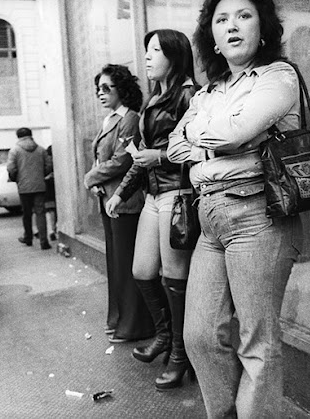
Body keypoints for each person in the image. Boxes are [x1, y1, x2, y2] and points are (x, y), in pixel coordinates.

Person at [167, 0, 302, 417]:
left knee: (257, 342)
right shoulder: (210, 90)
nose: (232, 25)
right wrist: (221, 138)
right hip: (210, 219)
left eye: (244, 16)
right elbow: (173, 146)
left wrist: (208, 136)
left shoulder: (278, 77)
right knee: (199, 336)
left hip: (258, 214)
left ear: (262, 29)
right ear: (212, 37)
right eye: (222, 19)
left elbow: (234, 132)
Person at [105, 29, 200, 390]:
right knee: (143, 272)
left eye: (156, 50)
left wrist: (158, 156)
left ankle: (180, 353)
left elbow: (199, 148)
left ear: (175, 56)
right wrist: (121, 192)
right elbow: (140, 155)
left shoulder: (189, 95)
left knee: (175, 278)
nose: (147, 56)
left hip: (178, 194)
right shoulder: (154, 99)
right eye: (147, 49)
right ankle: (165, 336)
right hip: (153, 195)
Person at [84, 64, 154, 343]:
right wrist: (97, 180)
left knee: (126, 264)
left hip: (126, 202)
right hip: (109, 200)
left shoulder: (130, 118)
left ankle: (135, 325)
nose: (100, 93)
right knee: (115, 262)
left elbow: (122, 160)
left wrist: (90, 177)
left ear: (121, 89)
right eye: (98, 89)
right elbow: (101, 158)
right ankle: (118, 318)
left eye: (106, 88)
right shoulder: (110, 119)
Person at [6, 127, 53, 250]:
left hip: (24, 187)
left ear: (18, 137)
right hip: (39, 185)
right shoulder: (41, 150)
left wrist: (16, 178)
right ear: (31, 135)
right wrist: (40, 175)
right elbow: (49, 165)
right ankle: (44, 241)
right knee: (40, 212)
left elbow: (11, 168)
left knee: (26, 213)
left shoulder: (14, 151)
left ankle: (28, 238)